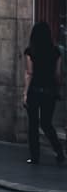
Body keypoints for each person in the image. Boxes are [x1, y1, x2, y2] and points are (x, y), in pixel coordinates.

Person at [24, 21, 65, 165]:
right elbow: (58, 74)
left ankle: (35, 157)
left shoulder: (31, 51)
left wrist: (25, 93)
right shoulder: (56, 52)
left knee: (33, 125)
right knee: (47, 123)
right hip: (49, 92)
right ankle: (59, 151)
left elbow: (29, 73)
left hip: (34, 91)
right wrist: (57, 89)